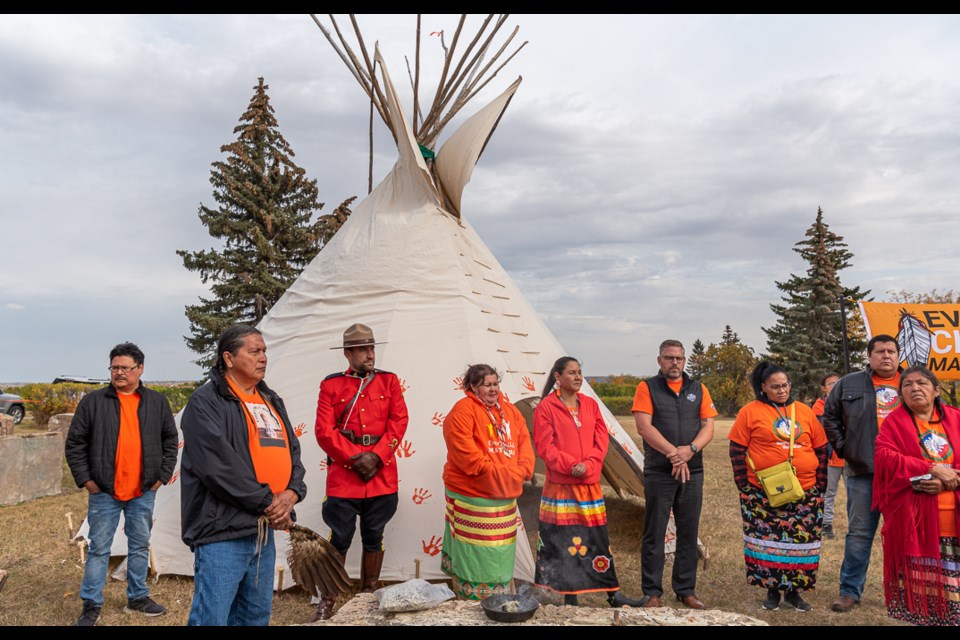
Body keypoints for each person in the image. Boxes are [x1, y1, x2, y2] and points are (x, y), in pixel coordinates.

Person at [180, 324, 307, 626]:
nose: (263, 357)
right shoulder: (206, 402)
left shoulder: (270, 399)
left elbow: (293, 452)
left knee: (254, 617)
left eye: (264, 351)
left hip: (262, 531)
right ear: (229, 357)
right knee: (212, 618)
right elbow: (219, 467)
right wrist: (269, 503)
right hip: (223, 531)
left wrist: (293, 492)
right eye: (254, 351)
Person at [64, 342, 178, 627]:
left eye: (124, 368)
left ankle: (137, 597)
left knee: (140, 546)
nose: (118, 373)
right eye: (114, 367)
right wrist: (87, 481)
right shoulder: (93, 402)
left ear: (140, 369)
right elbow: (75, 443)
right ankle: (91, 604)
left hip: (142, 490)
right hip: (104, 491)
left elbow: (170, 441)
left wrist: (161, 476)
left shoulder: (156, 402)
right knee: (99, 548)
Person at [313, 323, 409, 620]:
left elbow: (399, 421)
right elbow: (324, 432)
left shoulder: (389, 381)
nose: (370, 354)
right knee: (339, 538)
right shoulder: (330, 385)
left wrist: (377, 456)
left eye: (372, 348)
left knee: (374, 535)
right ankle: (328, 599)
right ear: (348, 353)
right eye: (364, 350)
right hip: (345, 476)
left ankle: (368, 594)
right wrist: (356, 457)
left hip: (381, 475)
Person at [532, 357, 643, 608]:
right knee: (564, 539)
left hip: (588, 485)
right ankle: (570, 596)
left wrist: (591, 465)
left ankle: (613, 594)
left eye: (580, 372)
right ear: (558, 377)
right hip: (562, 487)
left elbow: (601, 440)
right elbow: (545, 447)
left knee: (596, 539)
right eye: (572, 373)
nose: (578, 377)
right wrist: (572, 465)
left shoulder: (591, 405)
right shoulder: (546, 408)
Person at [728, 361, 828, 612]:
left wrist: (820, 484)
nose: (782, 390)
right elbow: (737, 449)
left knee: (800, 545)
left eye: (785, 385)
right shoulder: (749, 412)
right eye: (775, 387)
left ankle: (795, 593)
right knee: (768, 541)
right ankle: (772, 591)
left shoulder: (804, 411)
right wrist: (744, 485)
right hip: (763, 493)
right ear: (763, 388)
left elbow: (821, 448)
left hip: (805, 490)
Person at [631, 339, 717, 609]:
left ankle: (685, 589)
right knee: (655, 531)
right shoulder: (646, 388)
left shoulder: (698, 389)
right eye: (669, 358)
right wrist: (674, 453)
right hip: (660, 470)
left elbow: (708, 426)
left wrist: (690, 451)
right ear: (659, 361)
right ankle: (652, 592)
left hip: (693, 469)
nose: (674, 363)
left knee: (688, 530)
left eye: (679, 358)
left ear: (685, 360)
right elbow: (644, 427)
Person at [873, 365, 960, 625]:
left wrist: (949, 483)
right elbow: (885, 458)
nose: (915, 388)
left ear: (935, 390)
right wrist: (930, 469)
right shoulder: (893, 424)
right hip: (916, 527)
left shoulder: (956, 419)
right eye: (907, 385)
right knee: (922, 604)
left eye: (922, 383)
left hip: (953, 523)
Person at [822, 334, 902, 613]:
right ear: (869, 356)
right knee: (859, 534)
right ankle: (849, 591)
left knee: (904, 536)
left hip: (904, 474)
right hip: (863, 471)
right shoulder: (849, 383)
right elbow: (829, 416)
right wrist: (844, 449)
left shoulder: (912, 382)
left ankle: (904, 591)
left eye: (891, 351)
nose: (886, 356)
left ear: (898, 354)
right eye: (879, 351)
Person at [441, 363, 535, 599]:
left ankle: (500, 593)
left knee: (501, 549)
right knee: (474, 550)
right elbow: (469, 458)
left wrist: (522, 469)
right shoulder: (462, 411)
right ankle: (471, 597)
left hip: (504, 494)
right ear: (473, 387)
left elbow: (524, 442)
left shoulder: (510, 411)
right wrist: (508, 474)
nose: (493, 390)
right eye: (487, 385)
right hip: (473, 493)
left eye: (496, 384)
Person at [812, 372, 843, 539]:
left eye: (837, 382)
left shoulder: (847, 401)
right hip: (831, 457)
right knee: (829, 492)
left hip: (849, 456)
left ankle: (856, 525)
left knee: (855, 493)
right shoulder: (818, 408)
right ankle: (826, 524)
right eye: (831, 383)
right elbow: (821, 433)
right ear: (823, 388)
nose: (835, 385)